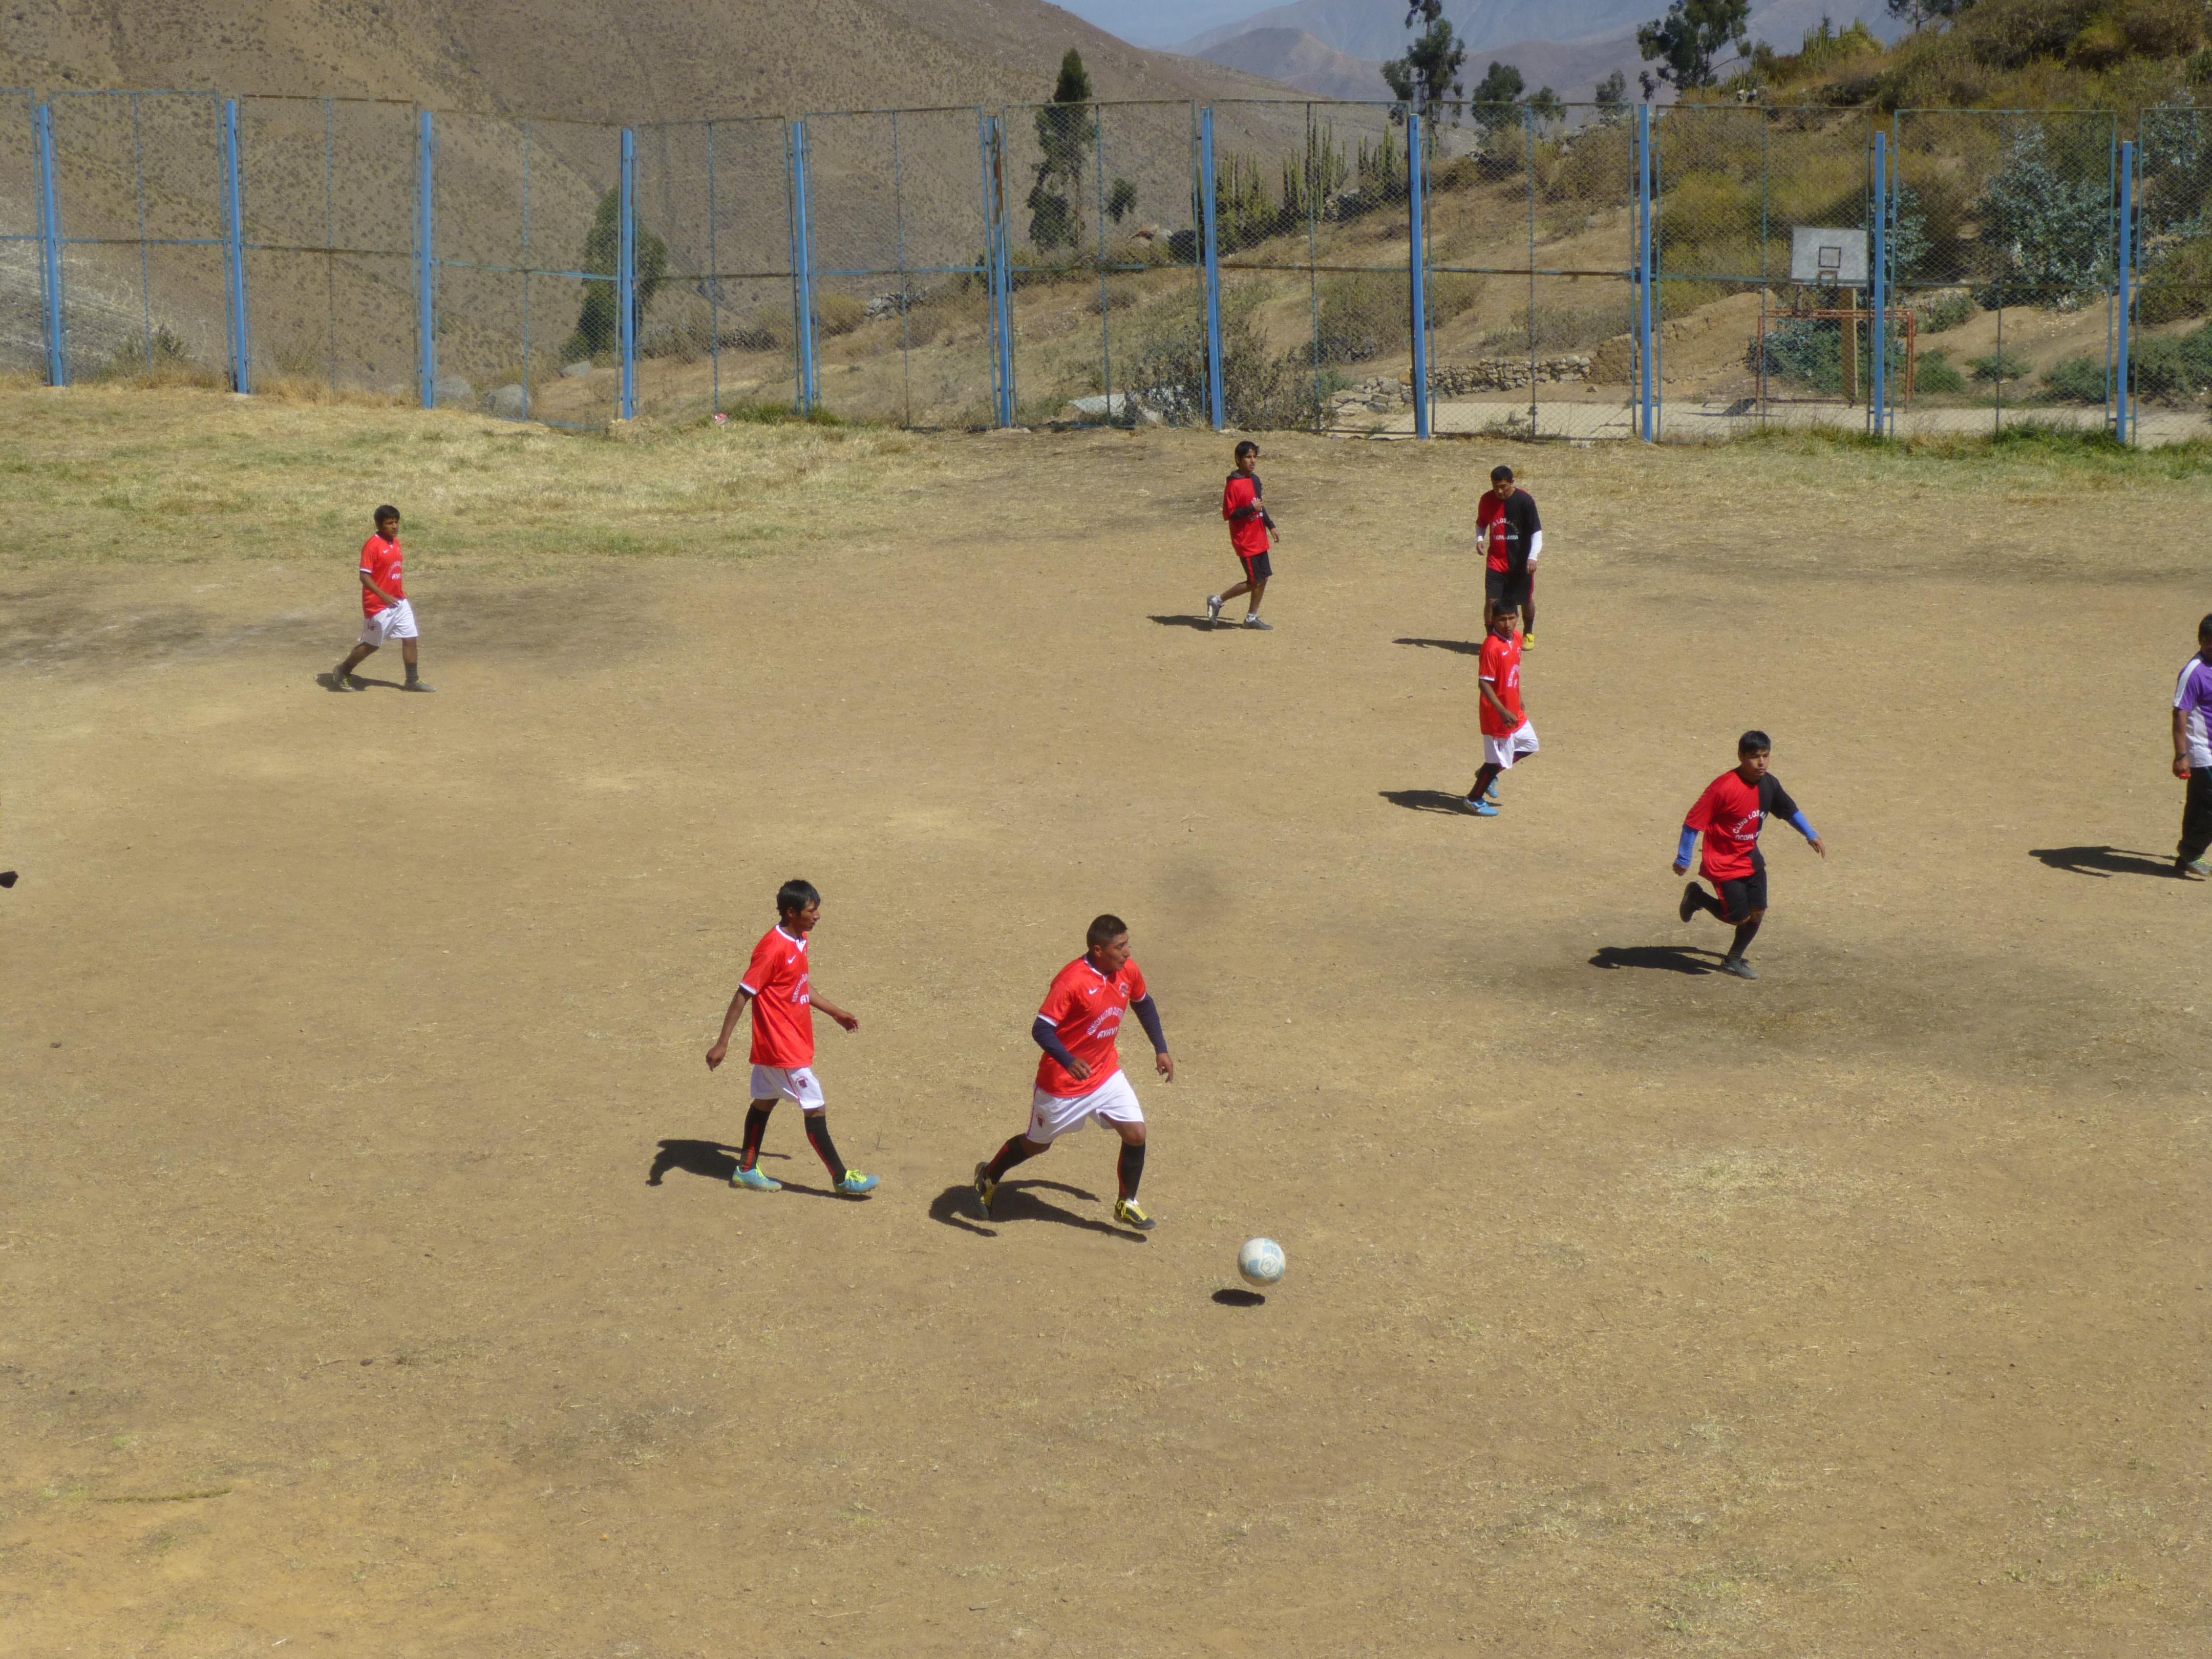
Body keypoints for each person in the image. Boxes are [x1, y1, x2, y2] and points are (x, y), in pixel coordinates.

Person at [972, 914, 1174, 1231]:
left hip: (1105, 1073)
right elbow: (1041, 1029)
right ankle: (988, 1176)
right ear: (1098, 950)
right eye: (1120, 947)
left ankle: (1126, 1203)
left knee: (1136, 1133)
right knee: (1037, 1145)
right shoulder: (1072, 981)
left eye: (1128, 943)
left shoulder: (1127, 972)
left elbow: (1143, 1004)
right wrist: (1067, 1060)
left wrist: (1160, 1048)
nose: (1128, 952)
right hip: (1064, 1084)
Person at [705, 880, 879, 1196]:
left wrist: (835, 1012)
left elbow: (800, 985)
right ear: (791, 912)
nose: (818, 916)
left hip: (788, 1041)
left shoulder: (800, 939)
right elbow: (743, 994)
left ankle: (745, 1169)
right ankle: (842, 1178)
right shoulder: (772, 949)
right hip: (782, 1045)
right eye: (812, 911)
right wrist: (723, 1042)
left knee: (764, 1102)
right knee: (816, 1108)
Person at [1674, 732, 1826, 980]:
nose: (1762, 763)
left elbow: (1789, 810)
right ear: (1741, 756)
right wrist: (1684, 858)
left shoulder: (1769, 784)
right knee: (1739, 917)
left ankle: (1733, 960)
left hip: (1750, 858)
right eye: (1755, 757)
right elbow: (1693, 823)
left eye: (1766, 756)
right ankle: (1697, 897)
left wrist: (1810, 834)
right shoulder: (1722, 788)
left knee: (1758, 913)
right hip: (1723, 862)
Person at [326, 505, 433, 692]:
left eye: (396, 522)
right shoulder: (372, 546)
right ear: (378, 524)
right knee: (371, 645)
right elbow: (364, 576)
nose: (394, 526)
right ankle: (342, 671)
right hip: (378, 606)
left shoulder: (396, 543)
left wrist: (395, 596)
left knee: (410, 638)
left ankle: (412, 681)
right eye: (389, 523)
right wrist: (384, 596)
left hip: (399, 602)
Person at [1462, 608, 1537, 816]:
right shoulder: (1491, 647)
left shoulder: (1517, 639)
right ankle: (1474, 799)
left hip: (1514, 711)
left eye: (1512, 618)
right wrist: (1502, 710)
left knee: (1530, 744)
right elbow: (1484, 684)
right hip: (1498, 716)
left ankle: (1489, 774)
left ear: (1518, 618)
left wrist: (1518, 698)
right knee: (1495, 761)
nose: (1507, 624)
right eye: (1502, 620)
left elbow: (1513, 672)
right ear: (1493, 620)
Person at [1207, 439, 1278, 631]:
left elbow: (1260, 506)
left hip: (1259, 538)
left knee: (1264, 578)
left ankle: (1251, 618)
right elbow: (1230, 515)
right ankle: (1217, 600)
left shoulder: (1255, 480)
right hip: (1245, 541)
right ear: (1239, 459)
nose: (1253, 461)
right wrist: (1250, 509)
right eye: (1248, 457)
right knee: (1254, 581)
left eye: (1255, 457)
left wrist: (1270, 526)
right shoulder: (1233, 485)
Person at [1475, 464, 1541, 648]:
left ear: (1512, 483)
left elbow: (1537, 531)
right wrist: (1480, 539)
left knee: (1525, 600)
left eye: (1503, 486)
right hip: (1496, 562)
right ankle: (1492, 638)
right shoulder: (1487, 500)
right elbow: (1481, 523)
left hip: (1521, 563)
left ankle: (1528, 633)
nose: (1499, 491)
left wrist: (1533, 557)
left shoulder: (1525, 501)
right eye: (1496, 486)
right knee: (1491, 600)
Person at [2172, 614, 2212, 878]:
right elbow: (2180, 713)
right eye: (2208, 643)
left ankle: (2187, 855)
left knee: (2198, 804)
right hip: (2202, 752)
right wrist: (2181, 755)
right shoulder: (2193, 673)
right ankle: (2192, 851)